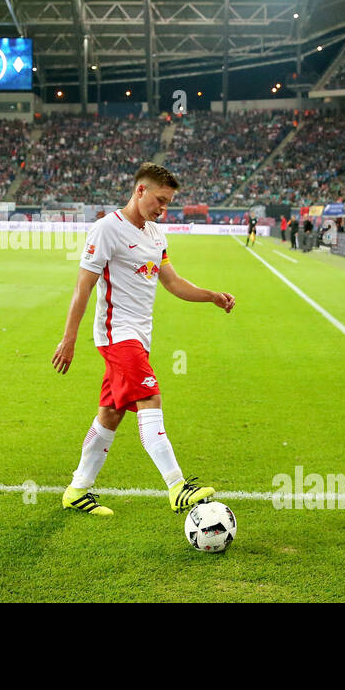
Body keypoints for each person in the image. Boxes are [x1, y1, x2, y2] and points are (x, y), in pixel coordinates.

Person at [52, 162, 236, 517]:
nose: (163, 209)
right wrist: (68, 339)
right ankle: (177, 486)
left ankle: (77, 490)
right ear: (140, 191)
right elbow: (83, 288)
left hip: (139, 336)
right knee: (150, 395)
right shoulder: (107, 229)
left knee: (111, 412)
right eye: (160, 200)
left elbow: (172, 282)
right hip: (117, 335)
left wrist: (211, 295)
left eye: (167, 203)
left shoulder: (155, 234)